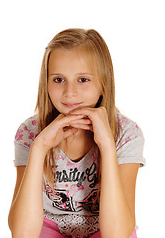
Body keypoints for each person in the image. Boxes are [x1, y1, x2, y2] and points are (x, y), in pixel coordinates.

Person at [8, 28, 146, 238]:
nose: (69, 92)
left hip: (105, 227)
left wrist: (107, 145)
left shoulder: (126, 134)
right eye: (58, 79)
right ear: (46, 84)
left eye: (83, 80)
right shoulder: (30, 132)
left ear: (103, 83)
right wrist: (39, 147)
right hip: (48, 228)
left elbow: (117, 234)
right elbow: (22, 233)